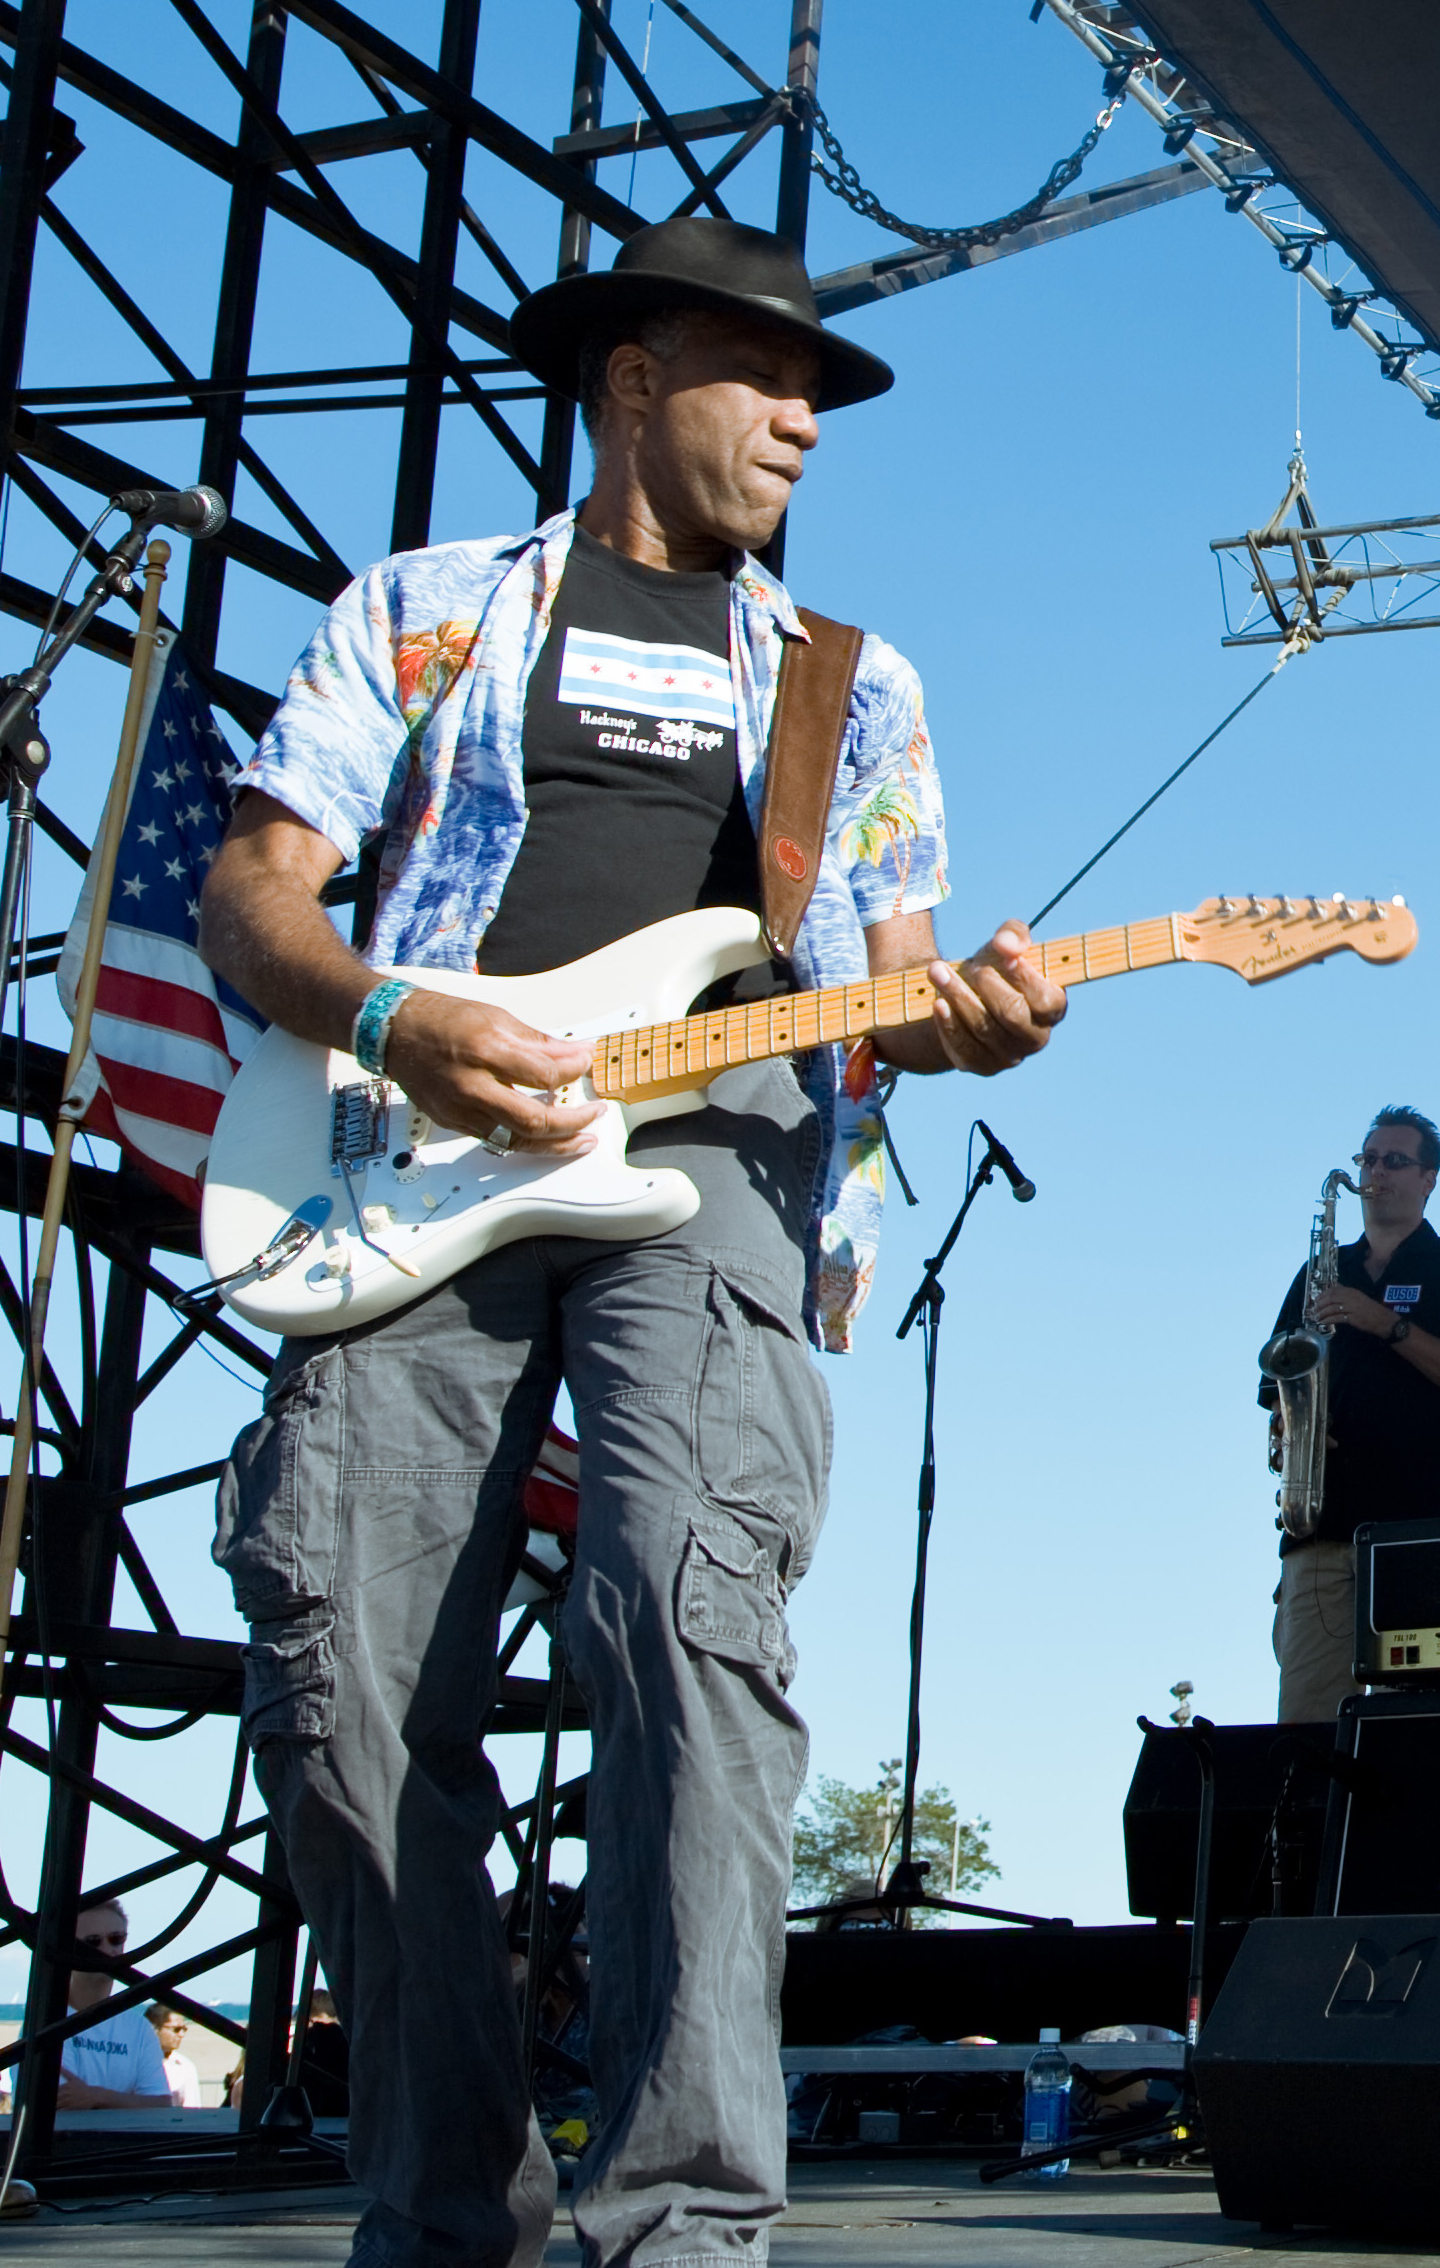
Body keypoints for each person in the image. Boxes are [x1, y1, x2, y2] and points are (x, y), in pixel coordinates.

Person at [201, 215, 1066, 2268]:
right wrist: (399, 1020)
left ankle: (683, 2226)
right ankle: (451, 2216)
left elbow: (899, 979)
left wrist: (973, 1025)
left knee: (687, 1628)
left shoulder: (852, 687)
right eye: (766, 377)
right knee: (337, 1685)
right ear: (631, 378)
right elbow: (254, 895)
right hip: (416, 1159)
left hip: (728, 1168)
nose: (803, 420)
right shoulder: (425, 612)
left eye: (820, 394)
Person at [1264, 1106, 1440, 1721]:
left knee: (1410, 1734)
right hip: (1321, 1528)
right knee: (1306, 1733)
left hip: (1419, 1530)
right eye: (1368, 1159)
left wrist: (1382, 1322)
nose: (1375, 1172)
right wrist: (1286, 1424)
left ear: (1428, 1179)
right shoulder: (1320, 1270)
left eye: (1394, 1161)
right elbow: (1279, 1378)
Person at [53, 1900, 172, 2111]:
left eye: (116, 1939)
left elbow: (161, 2104)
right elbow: (63, 2103)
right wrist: (128, 2102)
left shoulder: (138, 2028)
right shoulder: (48, 2023)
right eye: (93, 1942)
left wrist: (96, 2096)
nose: (108, 1950)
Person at [144, 2003, 202, 2107]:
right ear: (154, 2029)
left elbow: (192, 2109)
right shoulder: (132, 2061)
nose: (181, 2034)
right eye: (176, 2029)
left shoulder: (185, 2066)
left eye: (184, 2029)